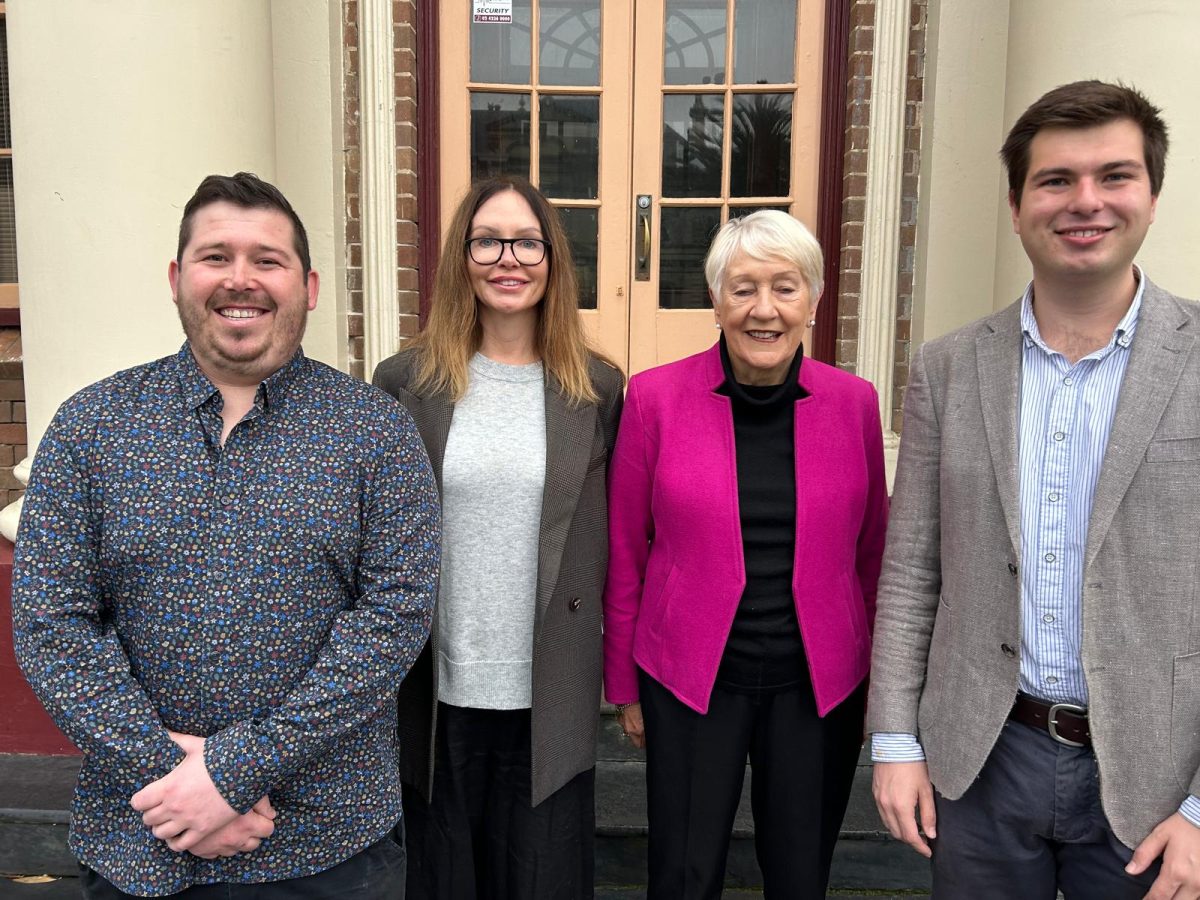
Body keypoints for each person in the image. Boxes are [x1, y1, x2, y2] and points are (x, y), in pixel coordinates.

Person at [12, 172, 440, 899]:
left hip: (329, 847)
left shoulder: (375, 433)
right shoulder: (91, 427)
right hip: (142, 839)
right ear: (178, 278)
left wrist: (232, 773)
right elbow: (50, 623)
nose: (240, 279)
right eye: (216, 256)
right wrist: (170, 779)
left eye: (266, 260)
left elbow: (394, 619)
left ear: (307, 286)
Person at [868, 80, 1200, 899]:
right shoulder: (948, 368)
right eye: (1056, 180)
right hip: (983, 758)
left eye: (1114, 176)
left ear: (1152, 197)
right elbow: (912, 571)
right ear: (1016, 207)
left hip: (1158, 776)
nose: (1085, 201)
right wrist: (895, 743)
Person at [603, 210, 888, 898]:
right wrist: (624, 687)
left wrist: (882, 687)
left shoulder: (854, 403)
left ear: (814, 301)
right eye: (743, 288)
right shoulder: (654, 398)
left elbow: (875, 552)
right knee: (684, 869)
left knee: (799, 871)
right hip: (691, 681)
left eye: (785, 288)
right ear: (716, 300)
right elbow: (623, 551)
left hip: (818, 685)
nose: (764, 310)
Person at [372, 176, 623, 900]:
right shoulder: (405, 381)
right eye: (487, 240)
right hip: (439, 683)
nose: (507, 258)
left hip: (548, 684)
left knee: (542, 878)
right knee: (443, 876)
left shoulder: (597, 388)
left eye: (526, 242)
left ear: (552, 260)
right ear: (462, 255)